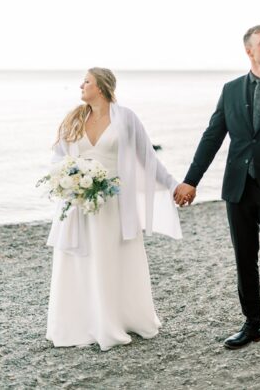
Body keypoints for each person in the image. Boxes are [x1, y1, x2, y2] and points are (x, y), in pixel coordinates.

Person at [174, 25, 260, 377]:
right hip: (238, 190)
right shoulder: (230, 90)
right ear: (249, 51)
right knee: (244, 261)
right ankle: (253, 325)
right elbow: (212, 137)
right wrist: (191, 180)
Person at [46, 67, 182, 351]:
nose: (81, 86)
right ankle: (82, 322)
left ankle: (118, 319)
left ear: (102, 86)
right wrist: (68, 181)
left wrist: (172, 185)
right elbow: (58, 158)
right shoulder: (74, 118)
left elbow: (148, 158)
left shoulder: (126, 118)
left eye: (87, 82)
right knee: (81, 262)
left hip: (114, 205)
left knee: (111, 261)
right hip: (80, 205)